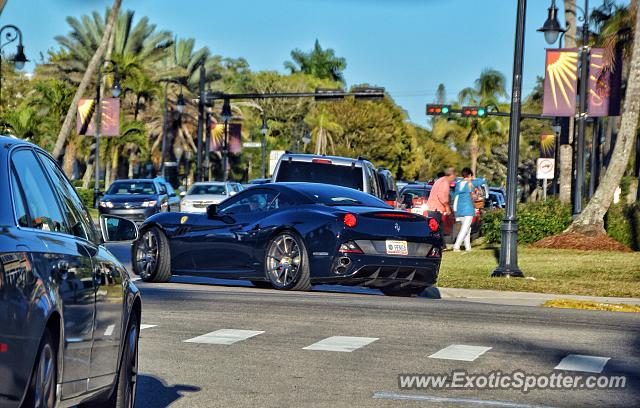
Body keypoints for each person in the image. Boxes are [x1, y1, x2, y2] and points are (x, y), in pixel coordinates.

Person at [452, 167, 486, 252]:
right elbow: (483, 180)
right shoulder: (471, 183)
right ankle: (456, 246)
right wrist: (473, 179)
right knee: (465, 228)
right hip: (468, 209)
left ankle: (468, 247)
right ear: (470, 175)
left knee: (467, 228)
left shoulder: (458, 183)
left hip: (460, 209)